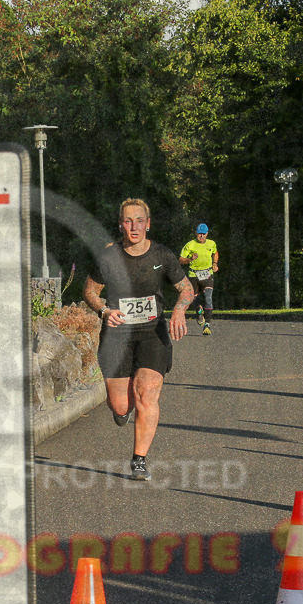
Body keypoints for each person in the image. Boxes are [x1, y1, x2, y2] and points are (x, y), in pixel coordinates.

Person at [83, 199, 194, 480]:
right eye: (128, 221)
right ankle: (122, 411)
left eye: (139, 221)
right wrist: (104, 311)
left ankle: (139, 460)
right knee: (121, 405)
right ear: (120, 225)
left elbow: (186, 289)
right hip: (117, 334)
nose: (134, 227)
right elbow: (90, 292)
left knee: (146, 392)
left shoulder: (162, 255)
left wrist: (179, 310)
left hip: (152, 332)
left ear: (148, 224)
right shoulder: (109, 257)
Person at [179, 224, 219, 336]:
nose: (201, 236)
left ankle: (207, 324)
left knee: (208, 297)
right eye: (199, 234)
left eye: (203, 234)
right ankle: (198, 310)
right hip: (193, 275)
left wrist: (215, 263)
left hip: (207, 274)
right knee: (194, 298)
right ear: (196, 233)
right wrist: (190, 259)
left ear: (207, 234)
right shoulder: (190, 245)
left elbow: (215, 253)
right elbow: (181, 260)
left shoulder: (211, 243)